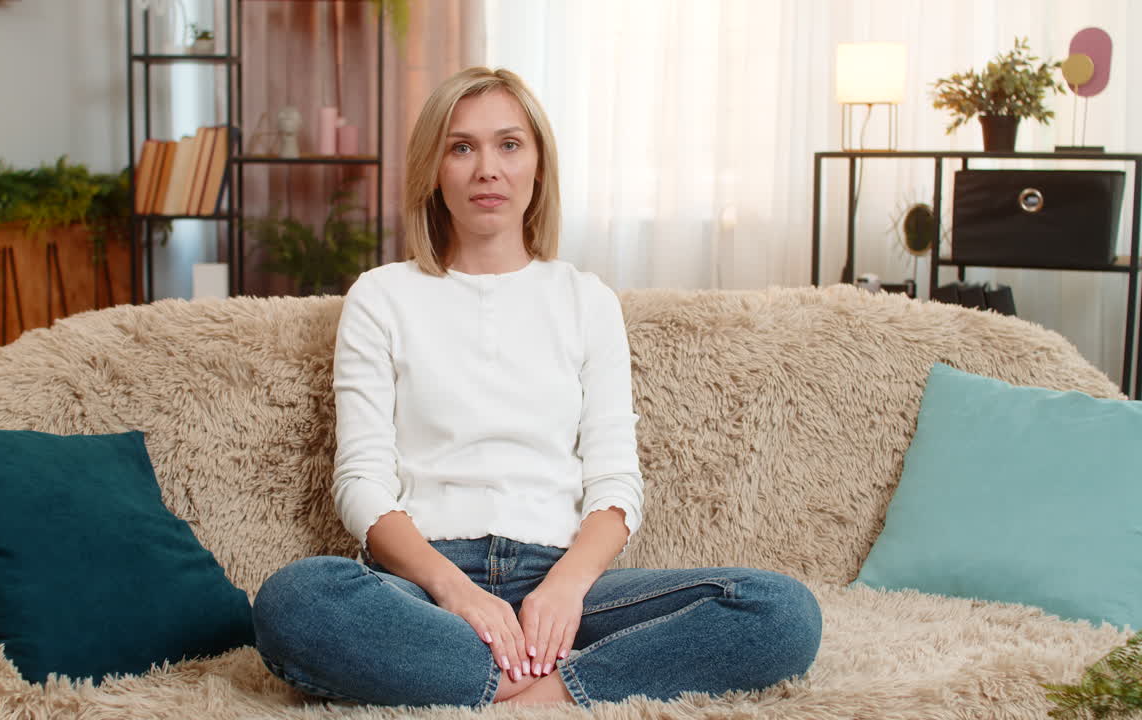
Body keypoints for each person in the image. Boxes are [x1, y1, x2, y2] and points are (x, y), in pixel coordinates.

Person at [252, 66, 822, 708]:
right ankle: (527, 677)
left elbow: (615, 484)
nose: (486, 168)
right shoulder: (381, 296)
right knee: (296, 600)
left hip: (558, 575)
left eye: (509, 144)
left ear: (538, 168)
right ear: (433, 172)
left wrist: (565, 589)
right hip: (426, 585)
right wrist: (457, 593)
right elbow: (361, 485)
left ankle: (544, 687)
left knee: (781, 610)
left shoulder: (586, 299)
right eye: (460, 147)